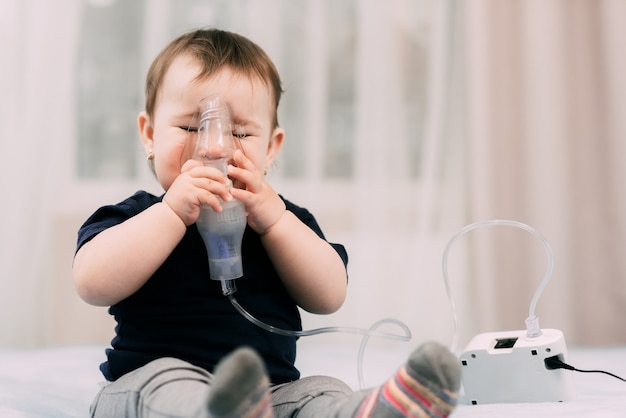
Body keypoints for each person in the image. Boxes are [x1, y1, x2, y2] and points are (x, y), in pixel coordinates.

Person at [73, 28, 461, 418]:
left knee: (319, 391)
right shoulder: (135, 217)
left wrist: (275, 222)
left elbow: (329, 296)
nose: (214, 146)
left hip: (269, 396)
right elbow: (92, 283)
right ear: (150, 134)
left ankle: (370, 411)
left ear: (271, 148)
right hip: (152, 386)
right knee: (161, 382)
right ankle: (215, 410)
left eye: (240, 131)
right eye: (191, 127)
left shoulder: (284, 221)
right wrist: (172, 213)